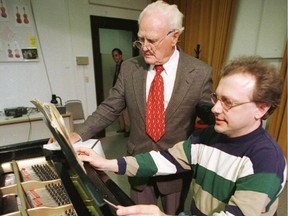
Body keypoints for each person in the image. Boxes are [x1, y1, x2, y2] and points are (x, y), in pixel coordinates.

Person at [76, 56, 287, 216]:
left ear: (261, 109)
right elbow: (162, 160)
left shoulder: (266, 160)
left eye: (228, 102)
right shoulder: (205, 137)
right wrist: (105, 164)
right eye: (217, 98)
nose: (214, 109)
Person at [66, 1, 214, 214]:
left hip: (176, 169)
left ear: (175, 36)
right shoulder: (130, 68)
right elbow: (109, 107)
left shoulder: (199, 72)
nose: (144, 46)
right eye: (141, 39)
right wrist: (78, 134)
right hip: (136, 163)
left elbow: (209, 113)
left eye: (152, 40)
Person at [111, 48, 130, 136]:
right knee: (120, 111)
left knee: (125, 112)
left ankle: (128, 130)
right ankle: (122, 128)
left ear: (120, 55)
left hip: (124, 92)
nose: (115, 57)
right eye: (113, 56)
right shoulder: (117, 65)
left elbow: (126, 80)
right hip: (118, 92)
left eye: (116, 55)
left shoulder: (124, 65)